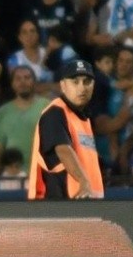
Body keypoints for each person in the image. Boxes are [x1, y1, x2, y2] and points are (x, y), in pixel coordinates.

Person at [28, 59, 104, 199]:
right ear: (63, 85)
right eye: (75, 82)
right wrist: (84, 182)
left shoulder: (83, 118)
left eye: (87, 81)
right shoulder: (55, 112)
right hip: (62, 208)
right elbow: (63, 150)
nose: (82, 88)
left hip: (86, 204)